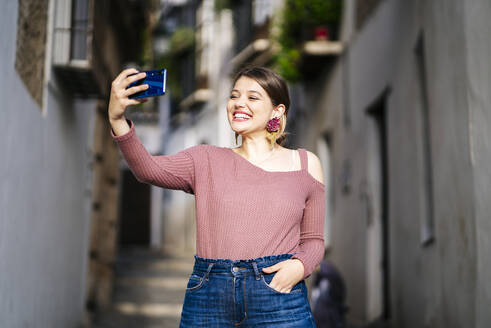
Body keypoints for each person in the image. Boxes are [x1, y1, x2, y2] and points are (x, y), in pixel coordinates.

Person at [108, 66, 326, 327]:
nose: (239, 103)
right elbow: (148, 170)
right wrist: (117, 120)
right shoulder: (205, 159)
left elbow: (313, 241)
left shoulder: (304, 164)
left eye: (252, 97)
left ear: (277, 111)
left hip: (279, 296)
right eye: (234, 96)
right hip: (209, 295)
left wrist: (299, 268)